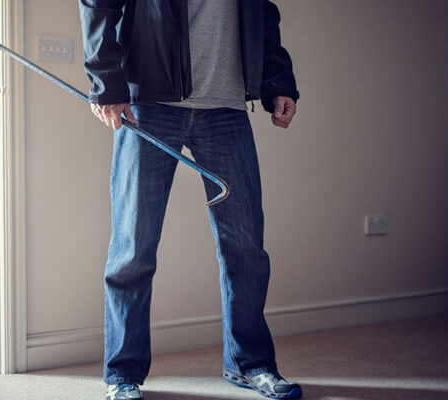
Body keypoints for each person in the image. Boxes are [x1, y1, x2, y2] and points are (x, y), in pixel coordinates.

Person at [78, 0, 302, 399]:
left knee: (246, 249)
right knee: (133, 248)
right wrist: (107, 82)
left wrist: (278, 81)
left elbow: (261, 12)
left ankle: (250, 364)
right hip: (149, 102)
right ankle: (122, 375)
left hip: (227, 105)